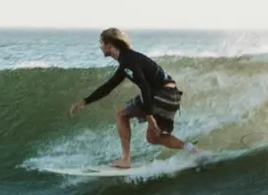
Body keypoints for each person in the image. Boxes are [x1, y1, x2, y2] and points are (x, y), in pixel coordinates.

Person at [68, 28, 197, 169]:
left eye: (101, 43)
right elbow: (108, 86)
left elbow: (145, 88)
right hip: (172, 95)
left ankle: (125, 160)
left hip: (162, 94)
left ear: (109, 44)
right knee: (154, 137)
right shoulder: (128, 60)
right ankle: (193, 150)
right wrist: (85, 101)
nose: (100, 47)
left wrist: (150, 118)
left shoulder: (128, 61)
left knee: (122, 115)